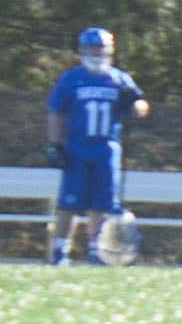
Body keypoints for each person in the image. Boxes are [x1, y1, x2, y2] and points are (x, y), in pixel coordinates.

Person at [45, 27, 150, 265]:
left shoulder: (119, 78)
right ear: (82, 50)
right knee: (69, 203)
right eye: (92, 48)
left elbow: (141, 106)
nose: (96, 52)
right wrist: (54, 143)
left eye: (100, 48)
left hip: (107, 148)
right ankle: (60, 251)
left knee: (100, 204)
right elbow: (56, 112)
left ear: (109, 50)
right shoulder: (71, 79)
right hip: (76, 147)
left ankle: (96, 250)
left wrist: (135, 104)